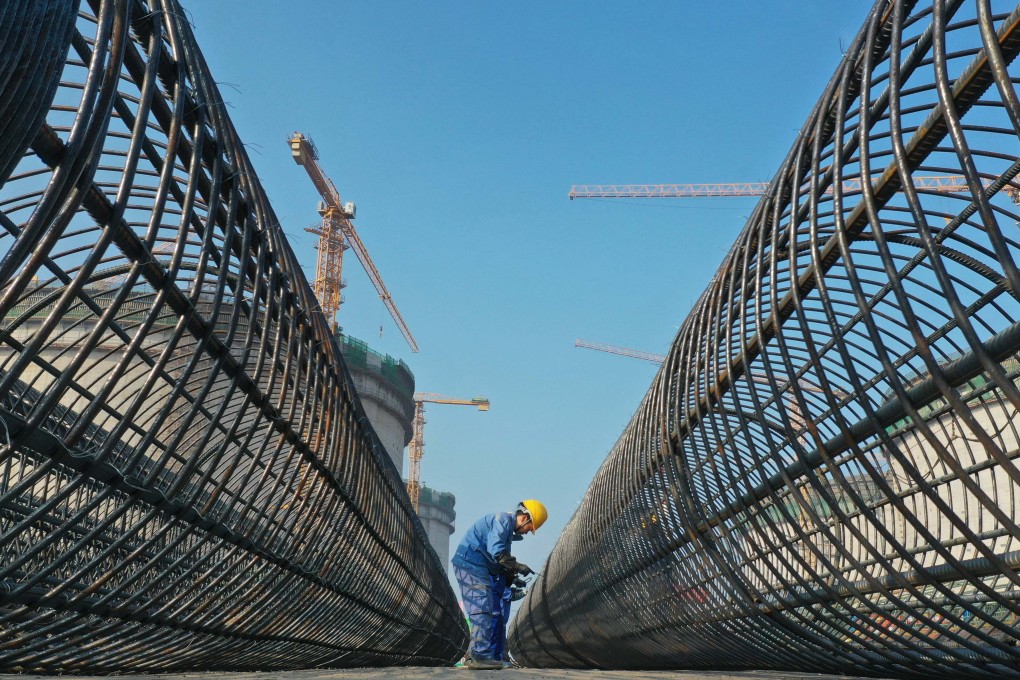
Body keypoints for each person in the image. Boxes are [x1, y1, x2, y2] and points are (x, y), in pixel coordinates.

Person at [452, 499, 548, 670]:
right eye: (529, 528)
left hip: (476, 565)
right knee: (481, 607)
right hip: (470, 563)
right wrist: (518, 566)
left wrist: (513, 576)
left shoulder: (507, 532)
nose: (527, 533)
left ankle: (478, 655)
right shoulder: (502, 520)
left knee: (485, 608)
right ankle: (479, 657)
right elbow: (496, 551)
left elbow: (500, 564)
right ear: (525, 518)